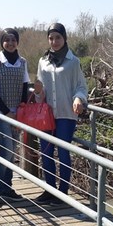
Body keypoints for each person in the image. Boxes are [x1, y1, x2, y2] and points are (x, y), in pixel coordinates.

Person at [34, 22, 88, 205]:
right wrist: (38, 91)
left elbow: (81, 86)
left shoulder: (73, 62)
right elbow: (40, 95)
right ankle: (49, 190)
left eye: (58, 37)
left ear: (64, 38)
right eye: (51, 38)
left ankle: (63, 192)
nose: (54, 41)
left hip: (66, 113)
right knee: (46, 152)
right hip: (46, 115)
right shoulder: (43, 62)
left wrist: (78, 98)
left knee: (64, 152)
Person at [0, 28, 30, 206]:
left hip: (17, 114)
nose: (10, 43)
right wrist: (7, 112)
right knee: (6, 151)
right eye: (7, 40)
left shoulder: (22, 62)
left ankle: (6, 188)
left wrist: (22, 110)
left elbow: (25, 86)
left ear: (17, 42)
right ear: (2, 42)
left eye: (13, 39)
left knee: (12, 153)